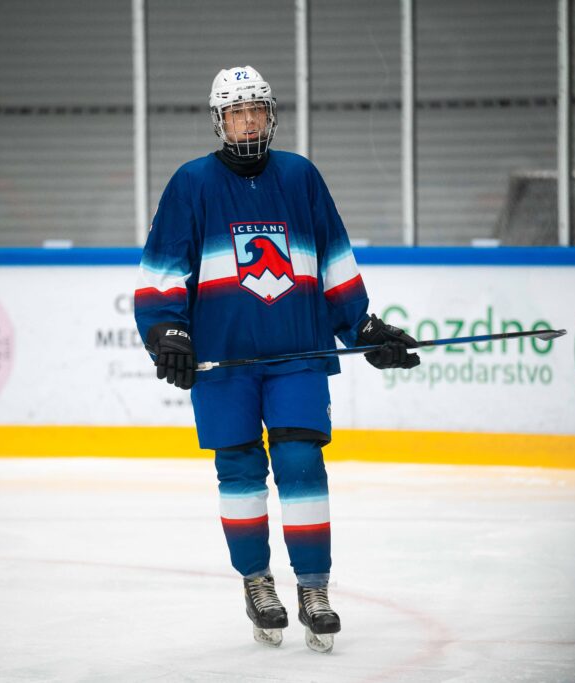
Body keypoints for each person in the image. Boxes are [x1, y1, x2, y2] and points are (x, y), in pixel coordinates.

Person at [134, 65, 420, 653]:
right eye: (236, 112)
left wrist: (363, 328)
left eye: (256, 110)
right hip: (223, 364)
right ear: (219, 121)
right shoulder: (192, 183)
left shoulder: (300, 175)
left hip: (298, 354)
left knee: (301, 464)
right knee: (240, 473)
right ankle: (258, 583)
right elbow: (164, 268)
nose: (248, 121)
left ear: (270, 115)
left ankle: (314, 588)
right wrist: (168, 331)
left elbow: (333, 257)